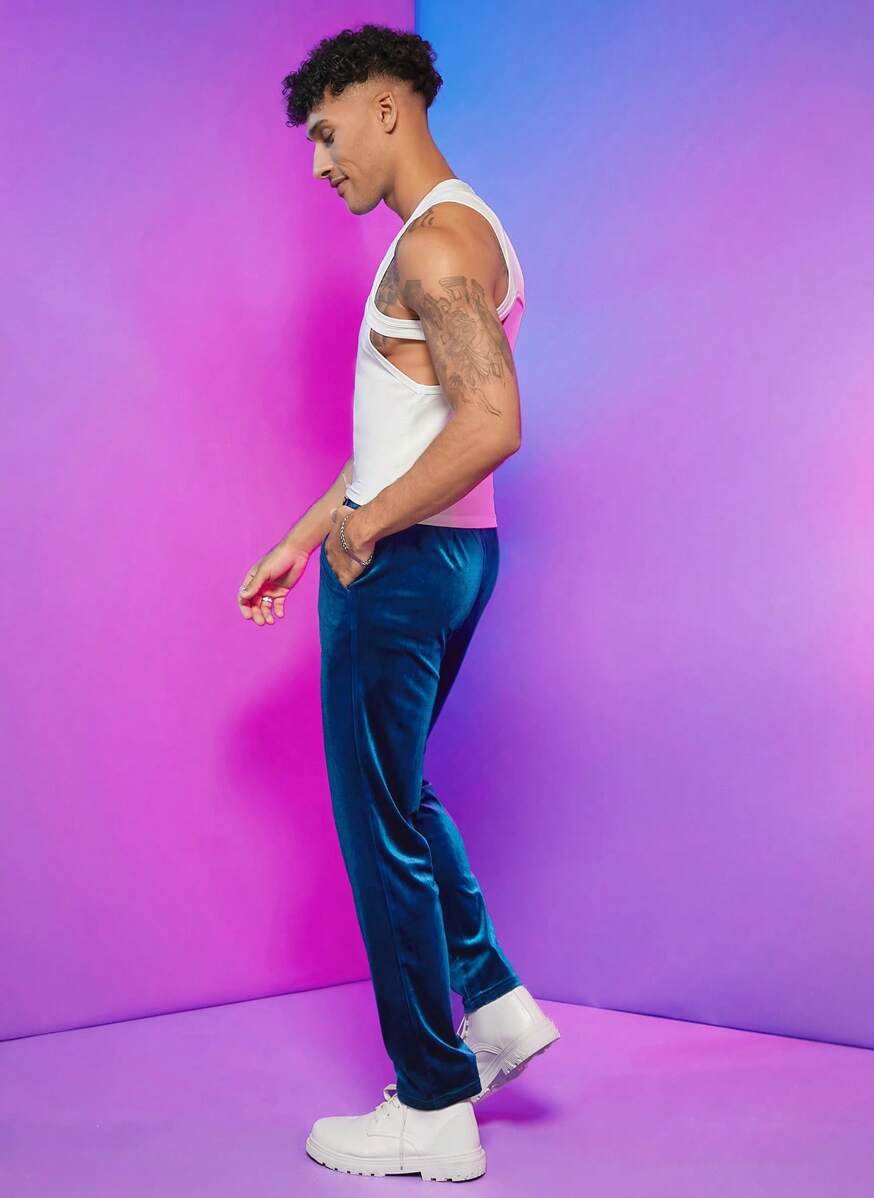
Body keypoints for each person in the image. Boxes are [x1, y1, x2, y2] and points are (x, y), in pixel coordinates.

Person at [237, 23, 559, 1182]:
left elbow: (491, 421)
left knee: (378, 826)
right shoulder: (461, 230)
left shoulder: (435, 244)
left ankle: (432, 1104)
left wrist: (365, 530)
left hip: (407, 566)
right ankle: (497, 1005)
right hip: (453, 554)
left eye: (328, 135)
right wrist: (305, 534)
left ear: (385, 105)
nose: (320, 163)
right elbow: (408, 429)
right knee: (400, 795)